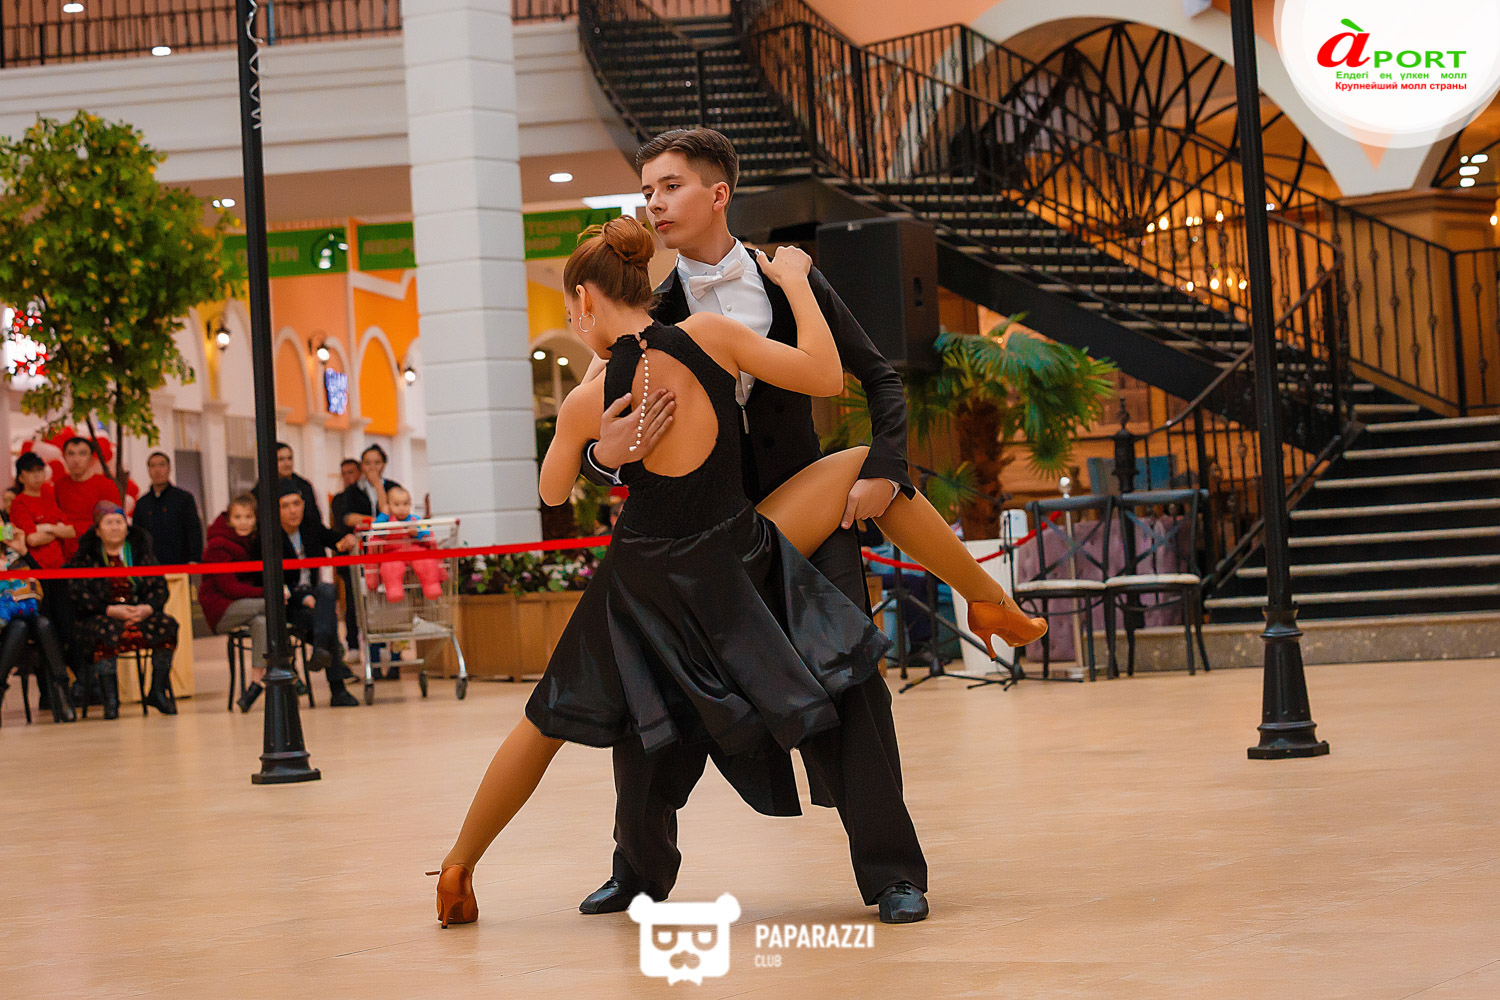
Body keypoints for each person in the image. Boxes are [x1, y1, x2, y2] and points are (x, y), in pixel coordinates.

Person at [430, 217, 1045, 927]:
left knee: (543, 722)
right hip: (734, 562)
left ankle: (458, 866)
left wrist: (604, 448)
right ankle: (987, 598)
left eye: (572, 310)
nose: (575, 321)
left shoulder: (585, 398)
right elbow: (823, 373)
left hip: (640, 583)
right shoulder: (710, 336)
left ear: (587, 300)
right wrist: (796, 284)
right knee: (861, 469)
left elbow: (551, 493)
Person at [578, 127, 933, 922]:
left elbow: (877, 378)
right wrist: (605, 459)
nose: (654, 202)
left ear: (718, 194)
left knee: (852, 685)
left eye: (670, 186)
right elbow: (600, 439)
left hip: (807, 519)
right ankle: (637, 870)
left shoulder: (790, 282)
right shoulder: (651, 312)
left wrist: (883, 469)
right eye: (646, 190)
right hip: (700, 539)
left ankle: (892, 874)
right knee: (656, 699)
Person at [67, 502, 180, 718]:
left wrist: (147, 608)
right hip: (102, 615)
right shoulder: (85, 558)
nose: (115, 527)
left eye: (119, 522)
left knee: (167, 625)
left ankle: (157, 691)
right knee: (104, 631)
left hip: (139, 611)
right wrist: (109, 609)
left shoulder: (141, 553)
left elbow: (160, 588)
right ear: (98, 530)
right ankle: (111, 700)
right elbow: (77, 593)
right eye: (108, 523)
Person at [9, 452, 87, 709]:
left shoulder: (49, 497)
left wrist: (47, 528)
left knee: (68, 629)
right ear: (21, 476)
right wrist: (54, 530)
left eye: (40, 470)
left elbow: (71, 530)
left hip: (60, 573)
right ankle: (49, 693)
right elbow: (30, 539)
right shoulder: (19, 503)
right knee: (47, 630)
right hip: (37, 576)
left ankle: (79, 686)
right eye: (31, 472)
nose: (37, 476)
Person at [276, 485, 360, 707]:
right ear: (276, 510)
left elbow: (334, 538)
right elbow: (269, 582)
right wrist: (302, 598)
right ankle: (338, 690)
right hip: (287, 604)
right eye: (285, 506)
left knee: (328, 591)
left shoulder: (310, 527)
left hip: (314, 600)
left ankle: (320, 647)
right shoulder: (270, 537)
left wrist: (346, 539)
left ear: (303, 505)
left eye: (296, 504)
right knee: (327, 622)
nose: (293, 510)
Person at [336, 445, 403, 678]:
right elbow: (348, 517)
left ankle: (395, 658)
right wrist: (375, 521)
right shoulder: (353, 491)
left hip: (392, 553)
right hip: (365, 555)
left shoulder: (393, 487)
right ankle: (373, 657)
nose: (372, 467)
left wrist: (379, 488)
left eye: (377, 462)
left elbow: (392, 512)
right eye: (367, 463)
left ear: (384, 464)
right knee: (369, 604)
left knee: (394, 603)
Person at [199, 495, 270, 712]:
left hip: (243, 605)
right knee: (272, 604)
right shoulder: (218, 545)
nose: (244, 522)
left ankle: (256, 683)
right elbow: (229, 587)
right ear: (229, 520)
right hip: (220, 608)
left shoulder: (251, 542)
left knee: (262, 622)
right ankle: (288, 670)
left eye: (248, 517)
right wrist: (268, 593)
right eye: (238, 517)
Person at [366, 485, 444, 602]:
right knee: (390, 567)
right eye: (396, 504)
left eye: (406, 504)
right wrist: (384, 514)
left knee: (427, 562)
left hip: (415, 551)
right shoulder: (386, 521)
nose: (402, 508)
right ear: (389, 506)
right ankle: (394, 589)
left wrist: (417, 533)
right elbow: (376, 529)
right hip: (393, 553)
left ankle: (432, 586)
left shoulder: (415, 519)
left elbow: (427, 533)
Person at [53, 437, 123, 560]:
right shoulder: (59, 486)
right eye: (71, 454)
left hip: (98, 554)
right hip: (66, 556)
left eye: (82, 453)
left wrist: (72, 530)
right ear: (64, 458)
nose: (76, 460)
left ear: (91, 459)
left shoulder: (106, 485)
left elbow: (114, 522)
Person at [131, 452, 204, 567]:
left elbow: (194, 531)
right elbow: (137, 536)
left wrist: (194, 558)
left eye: (161, 465)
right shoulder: (142, 503)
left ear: (169, 468)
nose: (157, 470)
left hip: (180, 564)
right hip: (150, 566)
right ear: (148, 470)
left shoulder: (184, 498)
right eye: (153, 466)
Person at [329, 459, 365, 666]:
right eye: (344, 473)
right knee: (351, 603)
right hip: (349, 559)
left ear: (359, 472)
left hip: (371, 555)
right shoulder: (340, 499)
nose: (347, 477)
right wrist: (373, 520)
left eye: (351, 472)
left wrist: (363, 519)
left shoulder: (365, 494)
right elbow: (346, 521)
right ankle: (352, 645)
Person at [252, 442, 323, 537]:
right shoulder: (261, 489)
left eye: (290, 458)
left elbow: (314, 519)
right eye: (281, 459)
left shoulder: (304, 486)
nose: (287, 463)